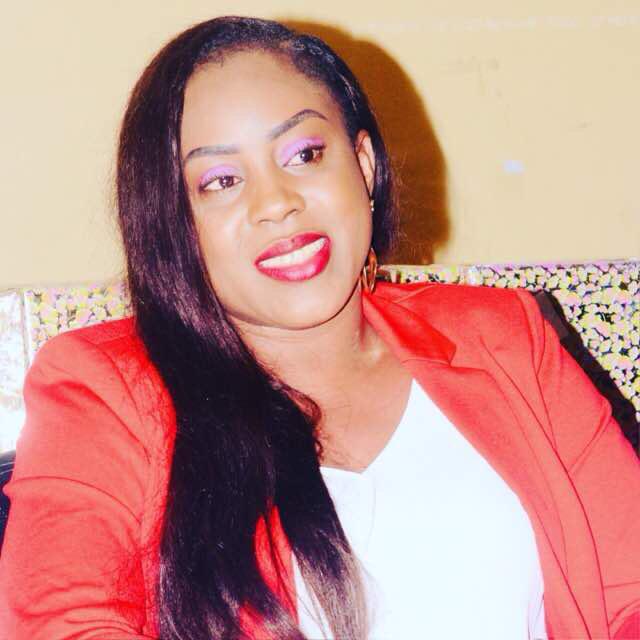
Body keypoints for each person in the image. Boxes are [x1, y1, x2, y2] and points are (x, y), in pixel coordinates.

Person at [1, 16, 639, 640]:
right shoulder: (101, 390)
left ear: (363, 164)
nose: (276, 202)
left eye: (304, 154)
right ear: (174, 222)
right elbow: (63, 622)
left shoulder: (507, 338)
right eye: (221, 181)